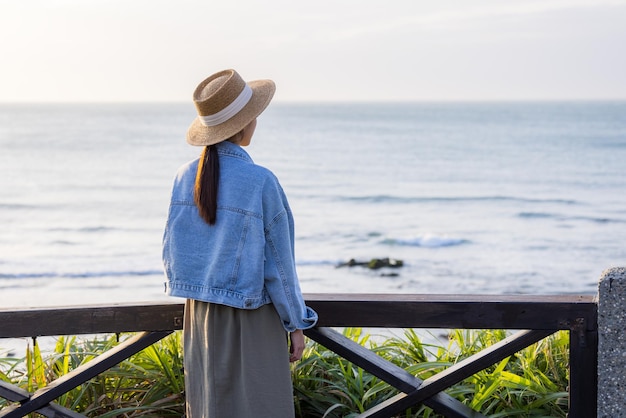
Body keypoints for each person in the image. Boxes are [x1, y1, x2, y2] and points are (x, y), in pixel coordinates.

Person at [162, 69, 318, 417]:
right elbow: (279, 265)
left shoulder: (184, 176)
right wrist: (296, 324)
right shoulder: (260, 181)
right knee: (262, 406)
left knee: (209, 408)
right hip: (252, 318)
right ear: (244, 124)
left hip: (200, 316)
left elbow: (173, 251)